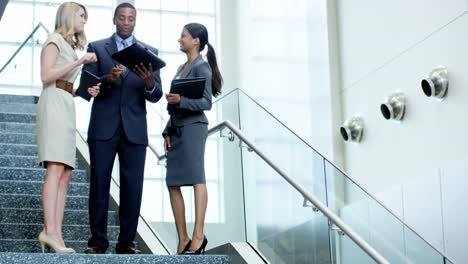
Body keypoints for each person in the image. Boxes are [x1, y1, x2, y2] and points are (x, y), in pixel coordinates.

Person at [77, 2, 163, 254]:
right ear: (114, 19)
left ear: (135, 21)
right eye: (122, 18)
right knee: (99, 185)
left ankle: (126, 243)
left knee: (133, 188)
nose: (126, 22)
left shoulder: (149, 52)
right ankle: (98, 242)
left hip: (134, 131)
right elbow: (86, 89)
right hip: (103, 128)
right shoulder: (97, 48)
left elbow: (156, 95)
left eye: (131, 19)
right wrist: (108, 79)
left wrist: (149, 84)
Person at [36, 1, 98, 253]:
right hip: (52, 105)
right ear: (69, 16)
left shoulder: (69, 46)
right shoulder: (54, 40)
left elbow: (62, 83)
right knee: (55, 169)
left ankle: (56, 234)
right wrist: (79, 62)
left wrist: (82, 90)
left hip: (64, 103)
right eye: (81, 15)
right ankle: (49, 231)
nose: (84, 20)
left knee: (66, 173)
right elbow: (46, 76)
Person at [163, 23, 223, 255]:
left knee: (197, 178)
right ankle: (183, 238)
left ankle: (198, 235)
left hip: (194, 128)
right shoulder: (181, 66)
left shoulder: (202, 67)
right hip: (177, 128)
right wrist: (168, 130)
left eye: (183, 36)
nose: (180, 39)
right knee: (172, 182)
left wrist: (182, 102)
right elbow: (173, 104)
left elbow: (206, 103)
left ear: (196, 40)